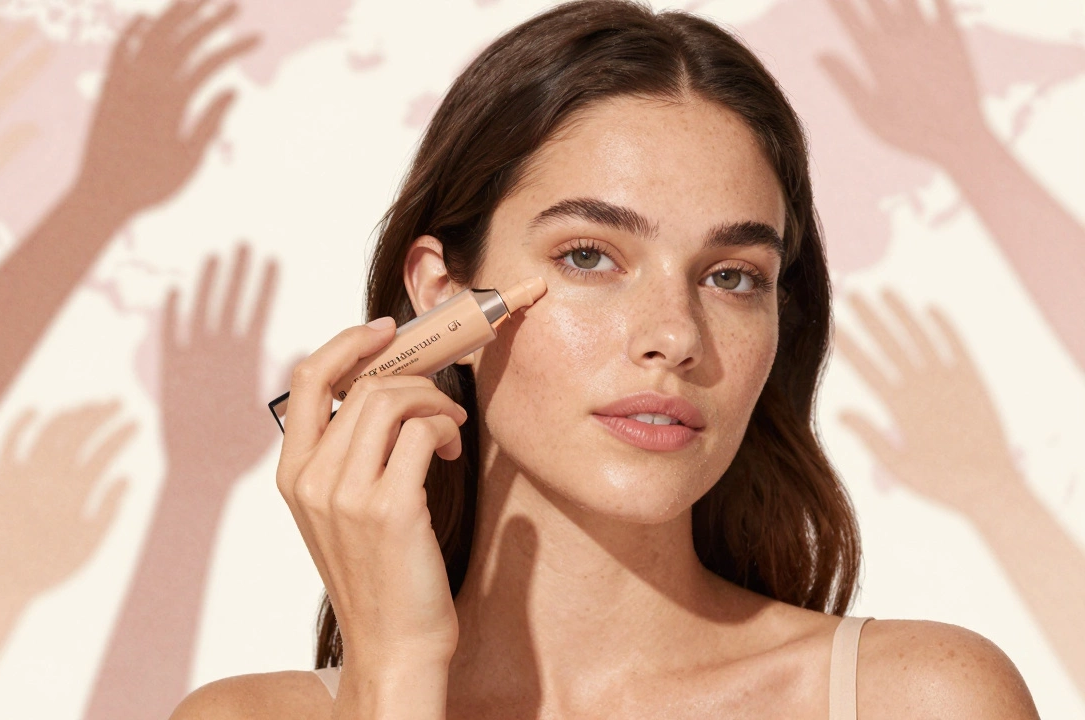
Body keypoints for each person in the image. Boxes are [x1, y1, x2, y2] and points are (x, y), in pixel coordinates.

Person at [172, 1, 1039, 717]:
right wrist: (395, 674)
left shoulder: (921, 698)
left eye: (733, 276)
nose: (675, 334)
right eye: (588, 256)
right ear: (441, 294)